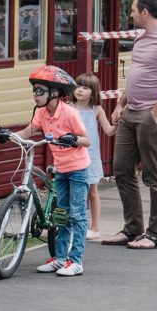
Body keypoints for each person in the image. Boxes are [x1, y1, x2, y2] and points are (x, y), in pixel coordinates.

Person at [103, 0, 157, 250]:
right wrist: (120, 104)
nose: (130, 14)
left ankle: (155, 234)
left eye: (132, 10)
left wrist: (155, 113)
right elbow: (136, 76)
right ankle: (132, 228)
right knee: (121, 169)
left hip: (154, 114)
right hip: (131, 111)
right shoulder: (141, 36)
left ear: (145, 12)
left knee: (153, 173)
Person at [17, 65, 92, 277]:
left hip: (78, 170)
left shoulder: (70, 113)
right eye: (34, 90)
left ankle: (76, 261)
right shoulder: (41, 113)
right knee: (61, 215)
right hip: (61, 169)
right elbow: (29, 131)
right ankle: (60, 259)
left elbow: (87, 140)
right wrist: (7, 134)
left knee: (77, 215)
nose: (35, 95)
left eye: (40, 91)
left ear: (55, 93)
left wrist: (73, 139)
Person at [74, 73, 115, 241]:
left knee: (92, 191)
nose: (80, 90)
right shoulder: (68, 107)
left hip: (90, 155)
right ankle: (78, 225)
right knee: (75, 191)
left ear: (93, 93)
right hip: (72, 155)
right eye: (78, 86)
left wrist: (118, 122)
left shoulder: (97, 110)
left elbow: (109, 131)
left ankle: (95, 227)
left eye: (85, 88)